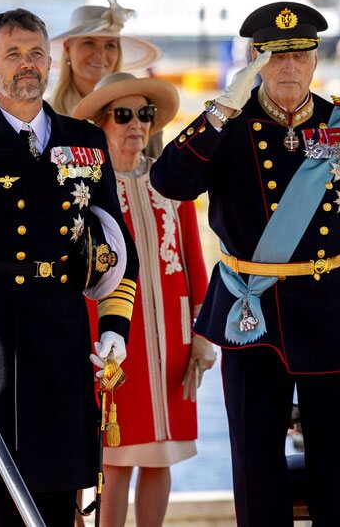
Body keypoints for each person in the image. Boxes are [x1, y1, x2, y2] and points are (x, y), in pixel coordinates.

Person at [151, 1, 340, 526]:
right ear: (255, 61)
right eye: (275, 55)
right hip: (254, 318)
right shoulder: (228, 126)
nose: (288, 66)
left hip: (335, 318)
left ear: (316, 60)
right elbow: (168, 182)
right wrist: (220, 110)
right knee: (256, 472)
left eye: (299, 54)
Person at [0, 8, 138, 527]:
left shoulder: (85, 140)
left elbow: (117, 242)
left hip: (61, 335)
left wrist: (113, 326)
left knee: (59, 497)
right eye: (13, 55)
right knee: (1, 497)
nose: (27, 65)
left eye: (35, 53)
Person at [73, 72, 212, 526]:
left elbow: (193, 258)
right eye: (124, 115)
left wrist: (202, 335)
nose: (137, 124)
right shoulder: (85, 189)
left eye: (145, 115)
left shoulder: (168, 181)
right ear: (101, 123)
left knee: (160, 456)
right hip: (113, 338)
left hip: (172, 340)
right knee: (115, 457)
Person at [49, 0, 160, 117]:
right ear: (67, 48)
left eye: (110, 45)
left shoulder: (140, 113)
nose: (101, 55)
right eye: (89, 43)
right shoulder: (44, 115)